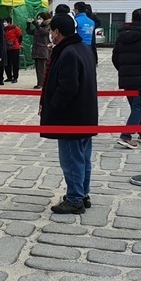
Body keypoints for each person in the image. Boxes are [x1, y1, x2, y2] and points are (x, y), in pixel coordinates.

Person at [40, 14, 98, 215]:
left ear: (57, 32)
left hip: (71, 117)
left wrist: (53, 105)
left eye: (51, 31)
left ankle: (75, 199)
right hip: (85, 113)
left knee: (72, 159)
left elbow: (68, 86)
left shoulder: (68, 53)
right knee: (83, 158)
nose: (50, 35)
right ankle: (82, 193)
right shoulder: (83, 49)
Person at [112, 8, 141, 149]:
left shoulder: (122, 36)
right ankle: (126, 135)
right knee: (138, 107)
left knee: (135, 106)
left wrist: (123, 70)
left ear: (132, 19)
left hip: (127, 77)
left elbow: (115, 57)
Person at [28, 12, 51, 88]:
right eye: (38, 18)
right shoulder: (38, 27)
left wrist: (35, 24)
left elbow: (43, 32)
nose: (39, 20)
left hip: (43, 49)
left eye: (40, 18)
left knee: (42, 68)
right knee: (38, 68)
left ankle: (42, 83)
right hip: (36, 49)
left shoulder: (48, 26)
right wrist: (28, 24)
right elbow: (30, 32)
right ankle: (39, 83)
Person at [3, 16, 23, 83]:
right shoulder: (4, 29)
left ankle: (15, 77)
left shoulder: (15, 28)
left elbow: (20, 36)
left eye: (5, 22)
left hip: (14, 48)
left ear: (9, 22)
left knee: (15, 63)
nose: (4, 23)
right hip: (6, 48)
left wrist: (18, 43)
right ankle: (9, 77)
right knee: (7, 63)